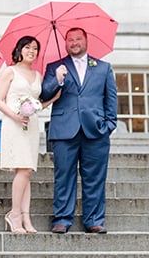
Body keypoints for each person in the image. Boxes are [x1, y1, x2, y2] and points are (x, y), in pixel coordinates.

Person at [40, 27, 118, 234]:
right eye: (70, 40)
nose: (74, 43)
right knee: (63, 176)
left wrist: (109, 125)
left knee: (95, 177)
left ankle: (93, 219)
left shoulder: (103, 68)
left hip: (96, 131)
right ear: (65, 43)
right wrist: (57, 79)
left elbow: (111, 100)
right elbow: (43, 95)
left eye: (78, 39)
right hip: (64, 131)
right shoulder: (55, 67)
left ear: (86, 40)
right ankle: (62, 219)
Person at [0, 36, 51, 234]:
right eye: (27, 47)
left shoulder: (38, 75)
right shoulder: (10, 71)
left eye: (35, 48)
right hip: (13, 124)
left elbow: (38, 104)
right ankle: (14, 214)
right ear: (20, 49)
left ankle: (26, 217)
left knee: (28, 171)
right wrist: (15, 116)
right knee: (23, 169)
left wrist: (55, 97)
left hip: (31, 125)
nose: (31, 51)